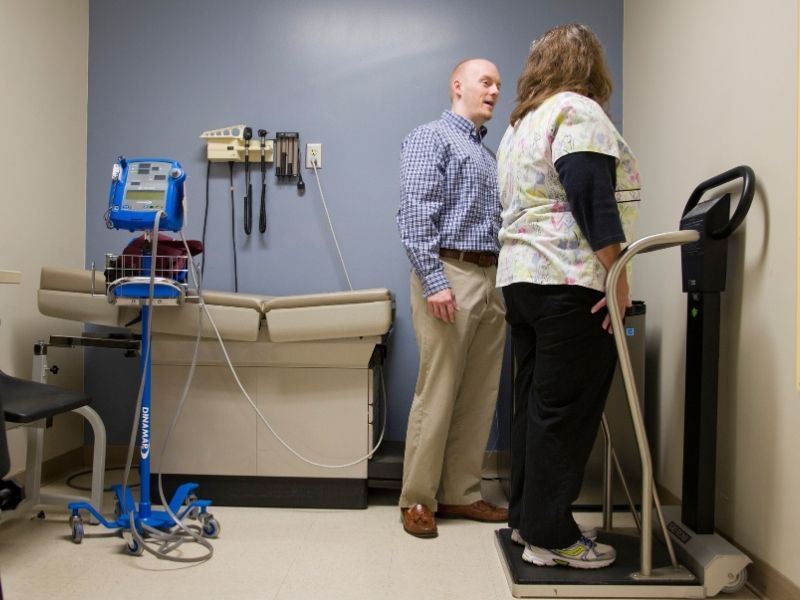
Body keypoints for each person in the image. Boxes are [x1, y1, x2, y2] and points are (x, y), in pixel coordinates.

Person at [496, 24, 640, 568]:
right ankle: (551, 536)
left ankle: (526, 520)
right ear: (589, 66)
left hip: (523, 280)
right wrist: (618, 273)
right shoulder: (577, 111)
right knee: (565, 410)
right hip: (568, 279)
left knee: (536, 405)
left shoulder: (521, 125)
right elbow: (588, 191)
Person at [396, 58, 508, 538]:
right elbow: (415, 211)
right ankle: (417, 500)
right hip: (450, 272)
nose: (495, 91)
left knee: (479, 392)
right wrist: (435, 279)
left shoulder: (488, 156)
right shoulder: (430, 137)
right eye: (487, 82)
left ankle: (460, 494)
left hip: (491, 275)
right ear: (457, 86)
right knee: (438, 388)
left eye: (499, 85)